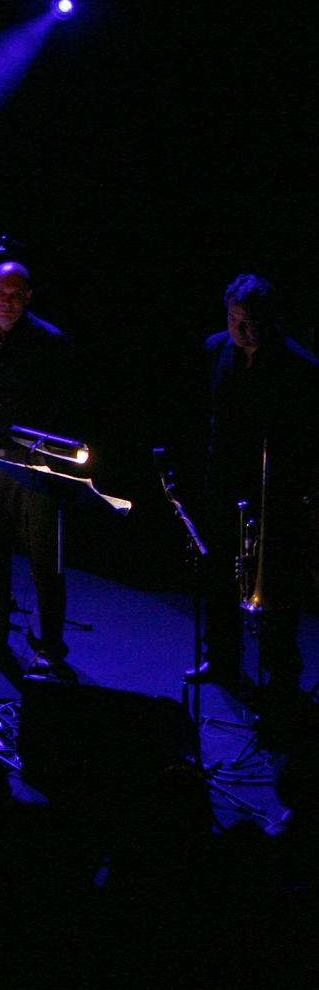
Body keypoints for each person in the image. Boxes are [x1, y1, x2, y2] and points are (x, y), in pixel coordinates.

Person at [186, 274, 316, 695]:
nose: (238, 329)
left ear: (269, 320)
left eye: (249, 322)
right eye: (232, 319)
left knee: (275, 577)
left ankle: (282, 672)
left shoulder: (298, 365)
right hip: (223, 480)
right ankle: (222, 656)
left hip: (272, 488)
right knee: (219, 571)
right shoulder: (216, 349)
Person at [0, 261, 79, 678]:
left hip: (36, 462)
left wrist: (50, 461)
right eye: (0, 293)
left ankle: (50, 646)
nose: (7, 302)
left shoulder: (50, 341)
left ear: (28, 298)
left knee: (45, 558)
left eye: (16, 295)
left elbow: (68, 405)